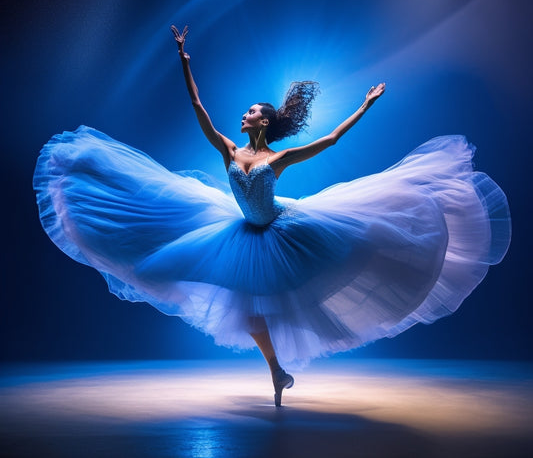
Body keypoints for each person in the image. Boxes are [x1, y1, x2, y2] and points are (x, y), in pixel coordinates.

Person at [33, 25, 511, 408]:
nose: (244, 115)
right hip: (242, 232)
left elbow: (328, 143)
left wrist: (365, 105)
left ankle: (284, 367)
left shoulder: (276, 160)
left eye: (251, 112)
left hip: (285, 229)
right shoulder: (228, 149)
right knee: (250, 311)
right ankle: (278, 371)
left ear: (265, 121)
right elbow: (198, 106)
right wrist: (184, 60)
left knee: (334, 263)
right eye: (245, 111)